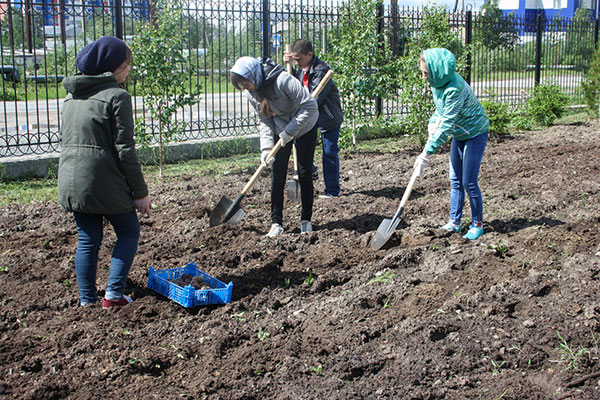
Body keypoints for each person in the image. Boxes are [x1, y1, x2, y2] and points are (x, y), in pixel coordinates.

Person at [58, 36, 152, 308]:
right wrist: (140, 193)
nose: (129, 70)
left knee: (88, 238)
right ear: (113, 68)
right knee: (128, 230)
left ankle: (87, 300)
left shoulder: (70, 97)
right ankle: (113, 294)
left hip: (73, 182)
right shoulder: (117, 97)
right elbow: (126, 150)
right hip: (104, 183)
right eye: (126, 65)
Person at [230, 56, 318, 237]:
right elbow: (264, 119)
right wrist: (266, 148)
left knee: (304, 172)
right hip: (281, 129)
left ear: (254, 75)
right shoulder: (252, 93)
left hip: (305, 125)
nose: (244, 88)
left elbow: (310, 106)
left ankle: (306, 220)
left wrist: (290, 131)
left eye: (245, 83)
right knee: (277, 175)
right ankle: (276, 223)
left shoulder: (284, 80)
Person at [413, 48, 489, 240]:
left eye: (426, 73)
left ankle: (477, 224)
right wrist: (432, 122)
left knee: (468, 182)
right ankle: (454, 223)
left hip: (474, 134)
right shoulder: (437, 84)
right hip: (459, 133)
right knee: (455, 180)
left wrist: (427, 153)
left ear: (438, 71)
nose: (423, 77)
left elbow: (447, 123)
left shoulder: (454, 88)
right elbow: (441, 110)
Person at [283, 39, 343, 198]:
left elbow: (315, 99)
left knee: (329, 152)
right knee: (298, 143)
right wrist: (287, 66)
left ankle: (332, 191)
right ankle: (311, 169)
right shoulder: (301, 69)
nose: (296, 62)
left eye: (298, 59)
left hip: (327, 118)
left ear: (309, 54)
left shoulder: (321, 72)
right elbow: (293, 86)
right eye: (294, 59)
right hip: (310, 116)